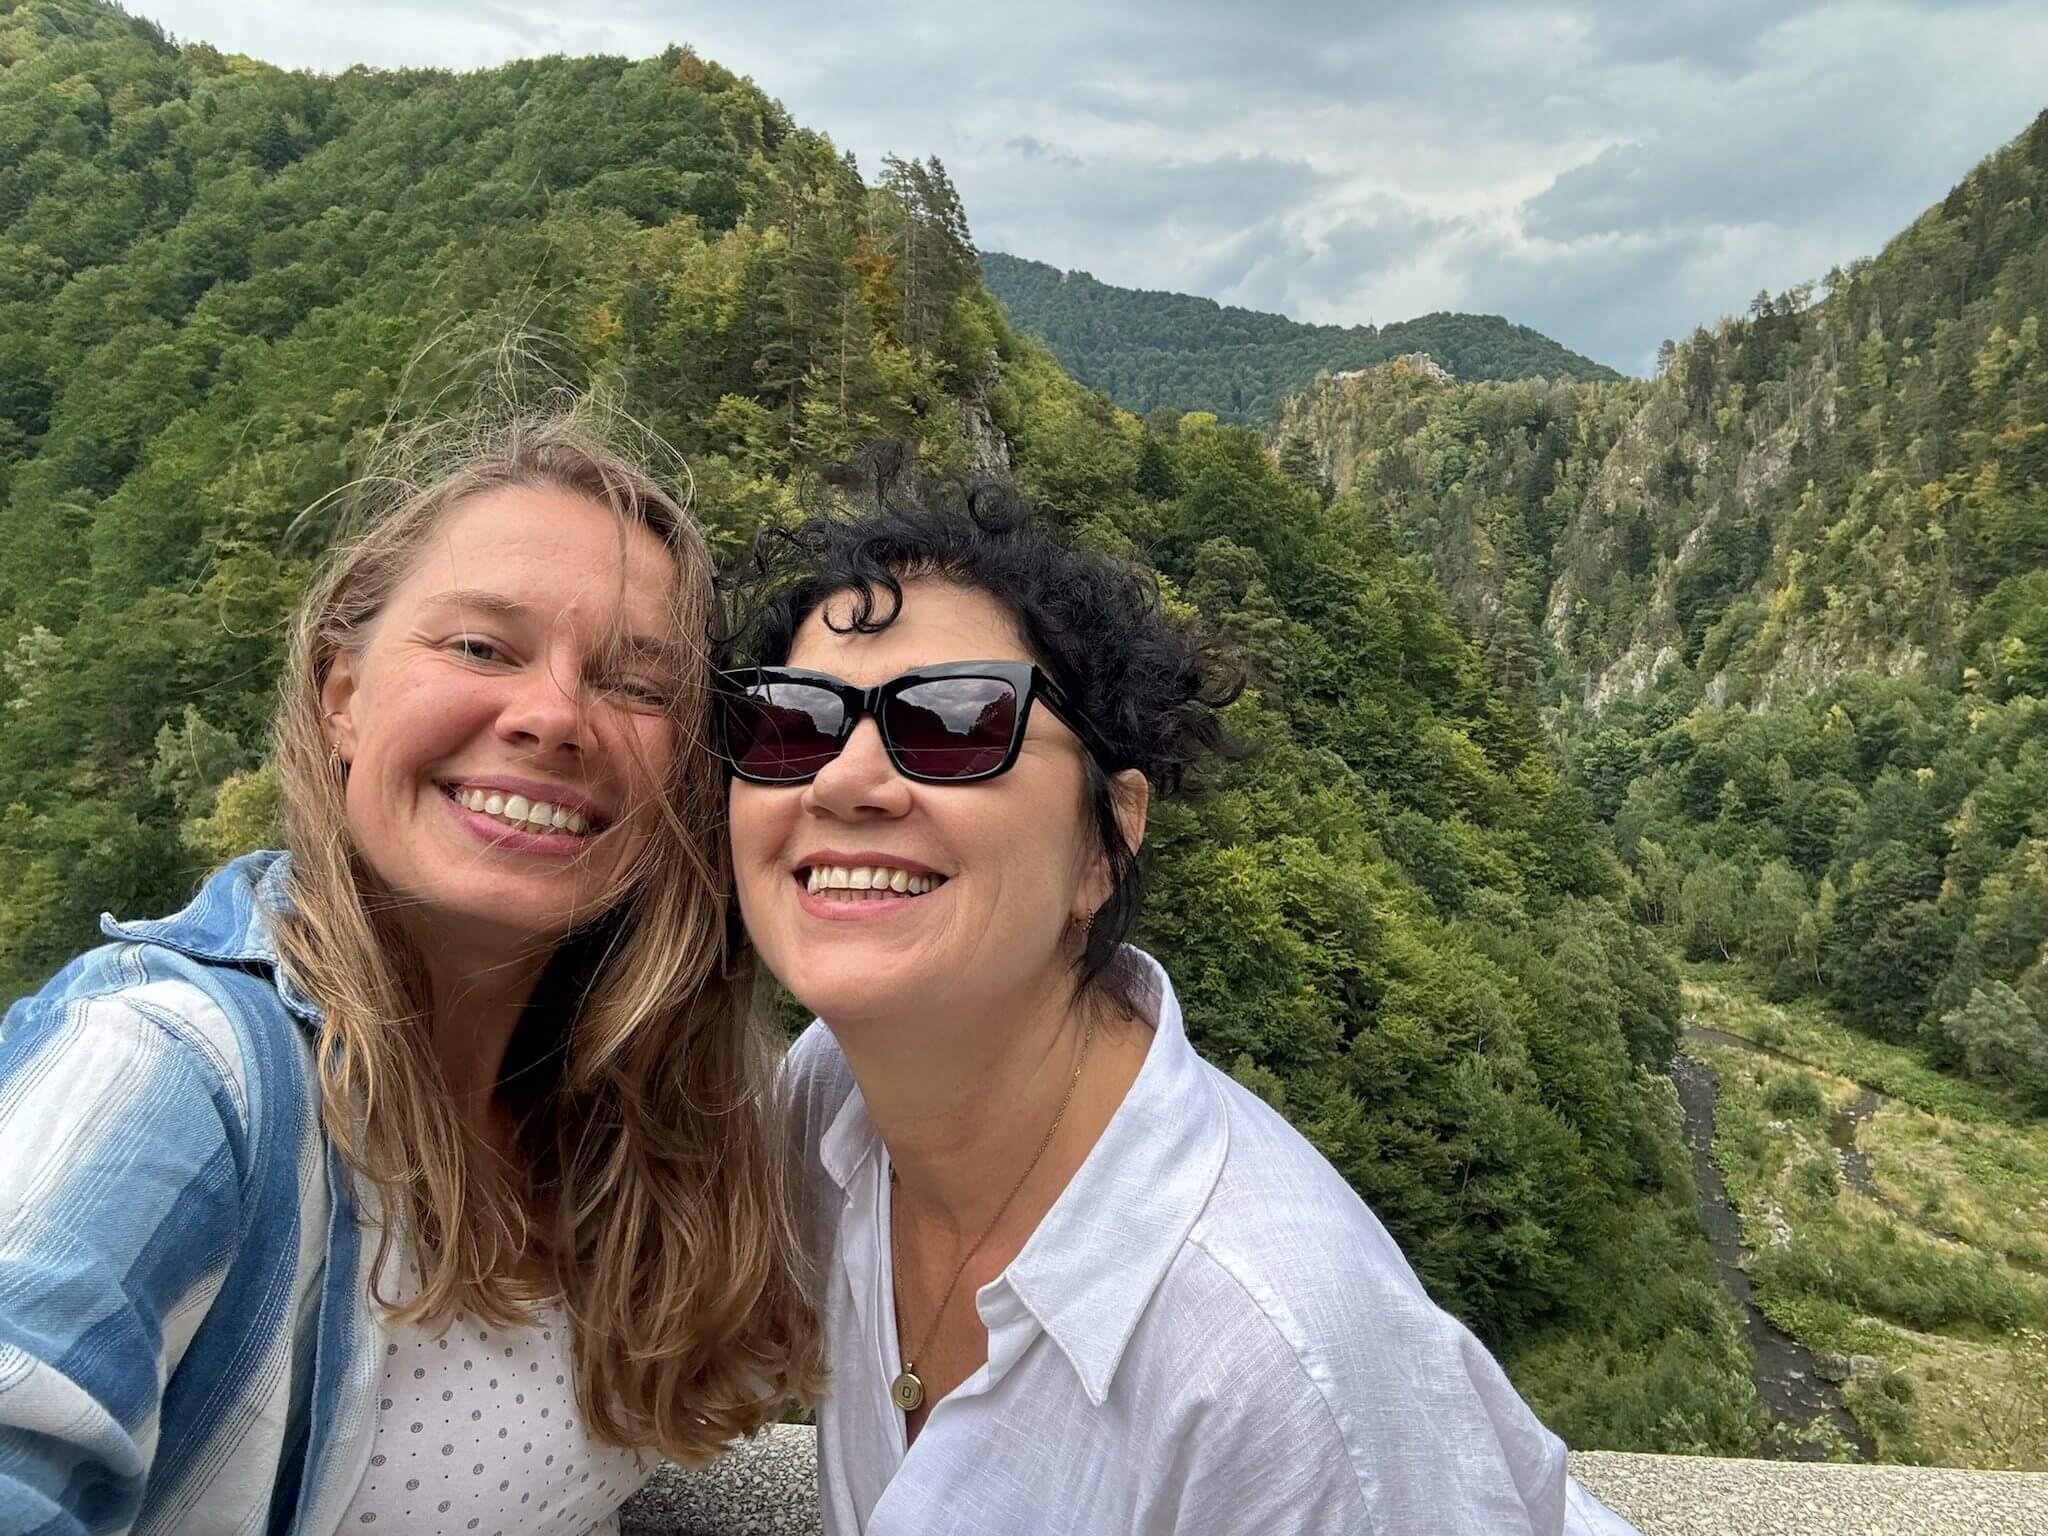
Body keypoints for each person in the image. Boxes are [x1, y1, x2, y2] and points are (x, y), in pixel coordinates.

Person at [717, 467, 1640, 1534]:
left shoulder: (1265, 1358)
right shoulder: (831, 1105)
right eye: (793, 723)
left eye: (957, 724)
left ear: (1103, 843)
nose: (844, 781)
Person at [0, 413, 822, 1536]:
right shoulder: (175, 1076)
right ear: (343, 695)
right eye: (481, 647)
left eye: (636, 685)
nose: (550, 717)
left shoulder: (645, 1113)